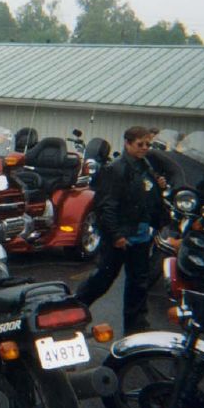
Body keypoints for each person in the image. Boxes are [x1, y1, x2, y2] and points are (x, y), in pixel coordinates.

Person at [75, 126, 167, 335]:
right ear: (127, 143)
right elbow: (106, 206)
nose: (144, 148)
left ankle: (136, 326)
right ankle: (75, 309)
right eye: (140, 144)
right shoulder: (115, 169)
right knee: (104, 278)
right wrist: (116, 235)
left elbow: (146, 196)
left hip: (141, 235)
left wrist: (158, 185)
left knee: (139, 282)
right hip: (121, 236)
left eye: (148, 144)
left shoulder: (145, 166)